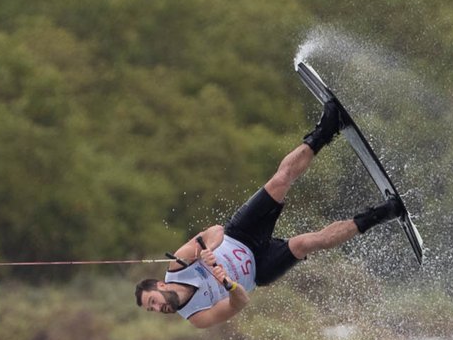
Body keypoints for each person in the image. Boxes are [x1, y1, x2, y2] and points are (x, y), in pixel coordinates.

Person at [135, 101, 401, 328]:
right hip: (259, 270)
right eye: (152, 310)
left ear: (159, 285)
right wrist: (228, 285)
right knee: (306, 243)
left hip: (239, 234)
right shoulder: (195, 317)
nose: (158, 309)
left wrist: (208, 250)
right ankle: (384, 212)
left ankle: (328, 127)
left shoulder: (179, 266)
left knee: (280, 181)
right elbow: (240, 304)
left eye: (153, 302)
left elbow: (215, 230)